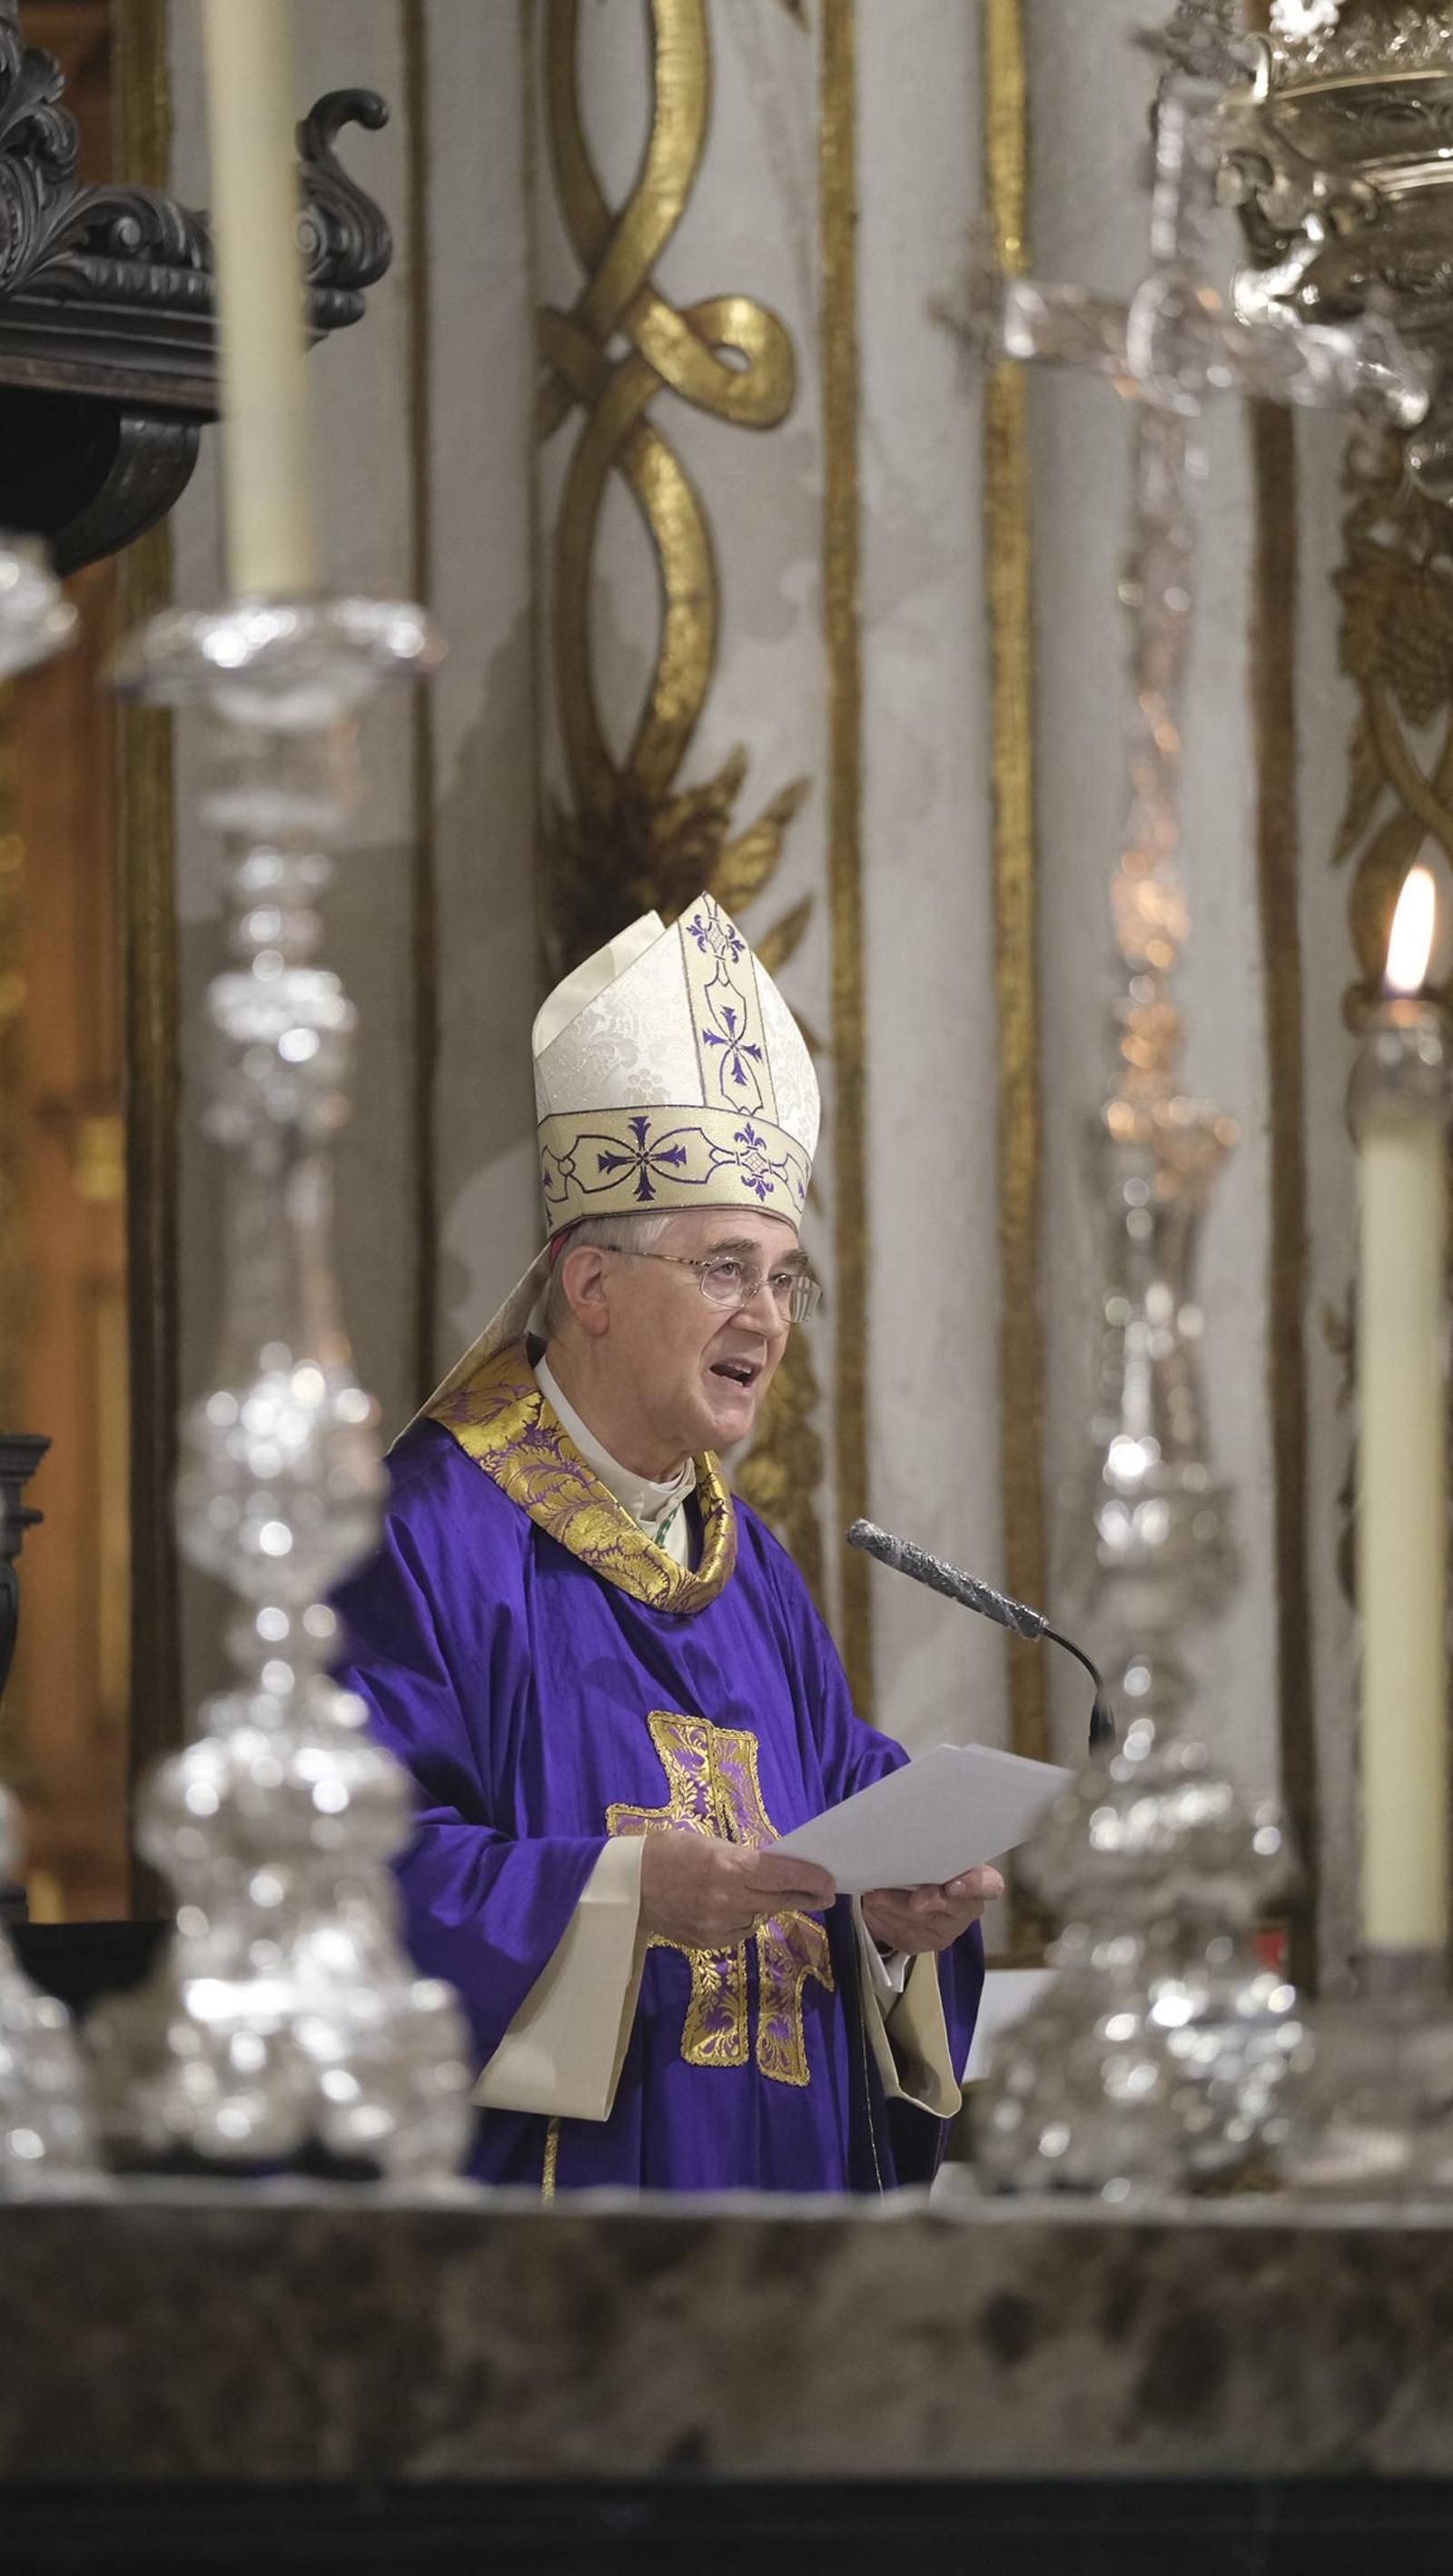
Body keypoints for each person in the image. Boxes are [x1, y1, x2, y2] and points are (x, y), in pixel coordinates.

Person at [334, 893, 996, 2194]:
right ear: (589, 1284)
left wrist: (897, 1922)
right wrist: (624, 1897)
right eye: (726, 1267)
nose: (769, 1315)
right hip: (551, 2266)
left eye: (785, 1276)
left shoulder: (757, 1573)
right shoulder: (423, 1536)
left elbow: (847, 1823)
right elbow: (356, 1877)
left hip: (787, 2268)